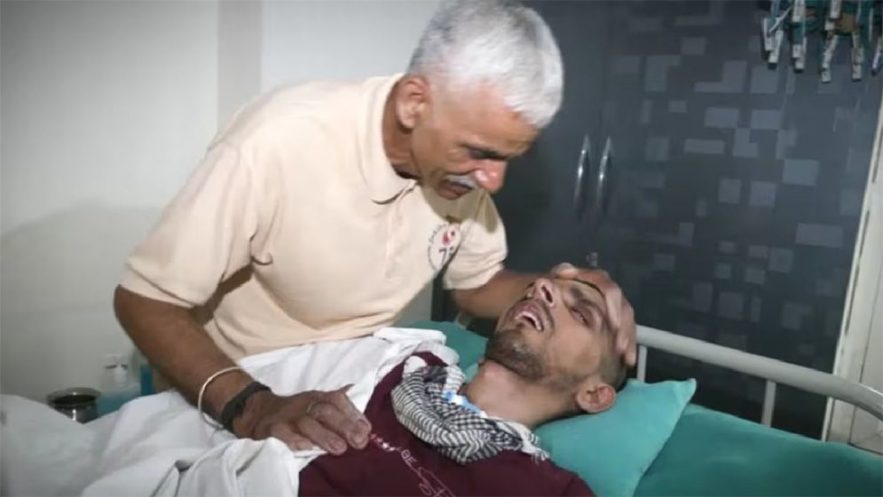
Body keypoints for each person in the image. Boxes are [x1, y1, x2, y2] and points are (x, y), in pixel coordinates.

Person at [113, 0, 636, 457]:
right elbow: (145, 301)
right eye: (479, 152)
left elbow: (474, 285)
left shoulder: (459, 169)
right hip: (234, 397)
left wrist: (562, 290)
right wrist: (252, 408)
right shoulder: (277, 144)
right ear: (414, 103)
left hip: (344, 395)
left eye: (506, 159)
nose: (492, 181)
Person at [298, 275, 627, 496]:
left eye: (581, 314)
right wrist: (270, 403)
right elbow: (277, 383)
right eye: (538, 286)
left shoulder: (551, 490)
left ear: (594, 395)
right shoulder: (400, 362)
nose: (541, 286)